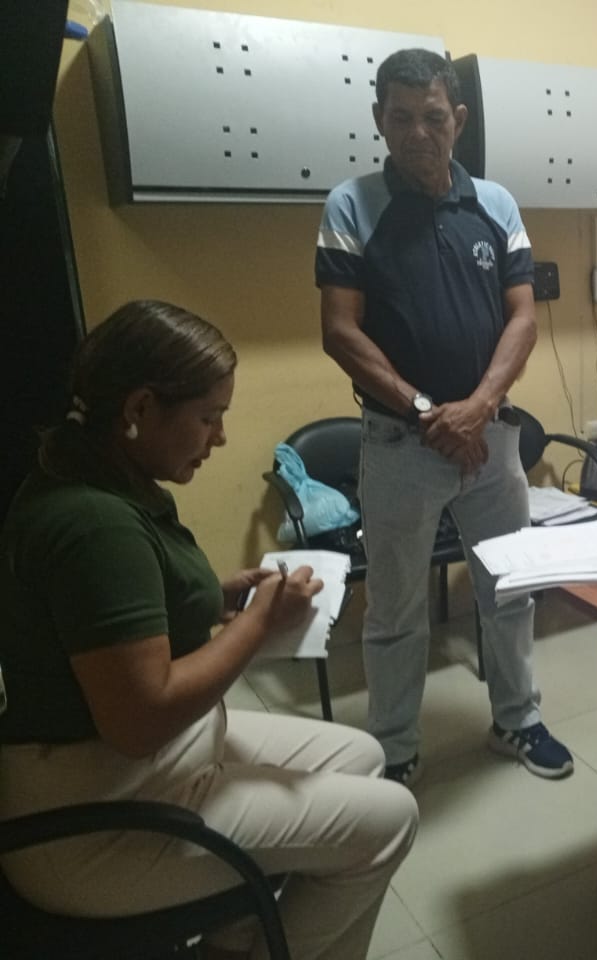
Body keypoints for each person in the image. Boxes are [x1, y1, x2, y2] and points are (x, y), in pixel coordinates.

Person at [0, 301, 419, 960]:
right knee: (391, 821)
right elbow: (141, 719)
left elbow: (114, 616)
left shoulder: (96, 474)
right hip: (94, 820)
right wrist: (257, 621)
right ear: (140, 408)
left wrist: (210, 598)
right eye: (208, 417)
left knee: (363, 757)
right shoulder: (95, 524)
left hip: (152, 764)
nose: (219, 437)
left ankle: (233, 941)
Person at [315, 48, 573, 783]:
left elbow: (523, 319)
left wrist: (479, 407)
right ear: (379, 119)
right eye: (401, 118)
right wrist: (432, 414)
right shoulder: (352, 205)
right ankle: (394, 751)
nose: (418, 133)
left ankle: (517, 719)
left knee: (509, 589)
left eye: (433, 117)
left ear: (457, 119)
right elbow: (340, 331)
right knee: (395, 611)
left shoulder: (496, 204)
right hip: (401, 445)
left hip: (491, 439)